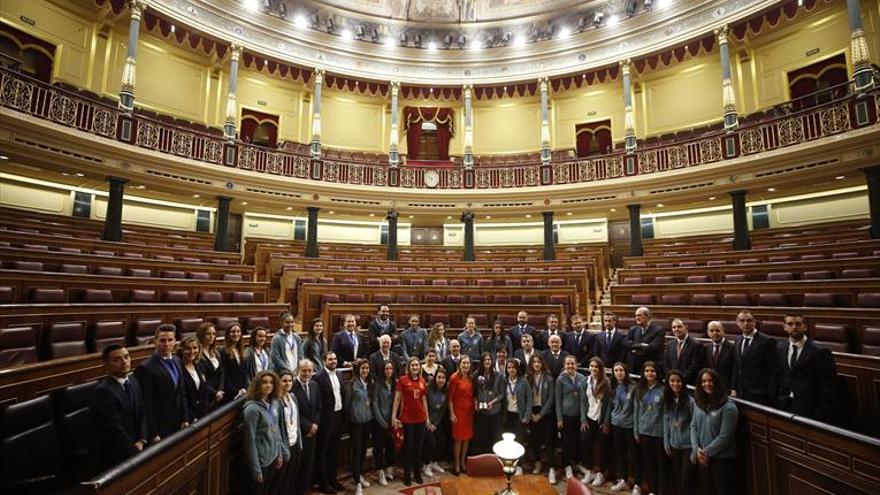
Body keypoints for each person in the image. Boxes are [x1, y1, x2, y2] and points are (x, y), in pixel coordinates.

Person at [769, 313, 838, 423]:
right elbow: (777, 376)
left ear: (805, 327)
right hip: (783, 404)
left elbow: (828, 387)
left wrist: (820, 414)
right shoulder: (779, 348)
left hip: (809, 409)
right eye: (790, 324)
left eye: (798, 324)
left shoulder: (819, 352)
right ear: (785, 327)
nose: (794, 327)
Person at [90, 344, 148, 470]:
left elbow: (142, 412)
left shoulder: (133, 381)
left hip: (138, 447)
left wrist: (142, 439)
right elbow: (114, 429)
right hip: (116, 457)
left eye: (126, 357)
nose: (124, 362)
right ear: (105, 365)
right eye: (117, 359)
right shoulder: (104, 391)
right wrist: (134, 451)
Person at [135, 324, 188, 441]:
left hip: (177, 423)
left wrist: (185, 418)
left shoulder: (177, 360)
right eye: (162, 340)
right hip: (159, 428)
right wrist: (153, 432)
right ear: (155, 341)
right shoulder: (145, 368)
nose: (167, 344)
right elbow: (145, 404)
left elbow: (181, 391)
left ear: (175, 341)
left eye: (170, 340)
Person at [691, 368, 739, 495]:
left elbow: (725, 436)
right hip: (703, 457)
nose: (707, 384)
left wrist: (705, 452)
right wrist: (696, 449)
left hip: (722, 459)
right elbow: (693, 426)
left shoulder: (729, 407)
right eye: (703, 381)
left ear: (716, 382)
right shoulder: (698, 402)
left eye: (710, 381)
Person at [242, 371, 287, 495]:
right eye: (265, 382)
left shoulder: (272, 403)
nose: (268, 385)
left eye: (271, 383)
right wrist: (256, 469)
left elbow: (275, 429)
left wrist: (279, 453)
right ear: (257, 385)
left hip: (273, 458)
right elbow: (249, 441)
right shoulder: (252, 409)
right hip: (261, 462)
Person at [392, 357, 430, 486]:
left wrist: (428, 418)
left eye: (417, 365)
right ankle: (407, 475)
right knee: (408, 447)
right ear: (408, 367)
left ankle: (417, 473)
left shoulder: (422, 381)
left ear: (420, 367)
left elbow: (424, 400)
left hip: (420, 418)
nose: (415, 367)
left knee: (418, 448)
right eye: (412, 365)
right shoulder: (403, 380)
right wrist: (393, 416)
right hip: (407, 419)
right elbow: (397, 399)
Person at [633, 361, 666, 495]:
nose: (649, 373)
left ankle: (660, 491)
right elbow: (636, 410)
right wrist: (636, 429)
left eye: (652, 371)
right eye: (647, 371)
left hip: (659, 432)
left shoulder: (664, 389)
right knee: (649, 463)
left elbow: (666, 413)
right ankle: (652, 490)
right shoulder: (640, 388)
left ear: (657, 373)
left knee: (661, 464)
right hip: (644, 431)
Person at [314, 352, 345, 494]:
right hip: (326, 419)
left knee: (334, 451)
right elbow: (318, 402)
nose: (333, 361)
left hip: (338, 416)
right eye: (330, 359)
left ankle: (333, 479)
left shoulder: (338, 374)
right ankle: (323, 483)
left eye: (335, 359)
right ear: (324, 361)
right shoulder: (319, 378)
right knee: (323, 453)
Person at [732, 310, 776, 404]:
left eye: (749, 320)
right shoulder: (737, 340)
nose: (745, 323)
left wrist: (770, 394)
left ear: (754, 322)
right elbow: (737, 366)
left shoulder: (767, 341)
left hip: (760, 394)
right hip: (741, 392)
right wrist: (734, 387)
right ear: (737, 323)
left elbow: (774, 369)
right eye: (742, 320)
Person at [663, 369, 696, 495]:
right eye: (672, 381)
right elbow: (666, 421)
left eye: (678, 381)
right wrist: (666, 442)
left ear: (683, 383)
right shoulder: (668, 399)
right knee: (678, 480)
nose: (675, 384)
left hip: (688, 445)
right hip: (674, 445)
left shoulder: (690, 401)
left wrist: (694, 448)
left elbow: (695, 425)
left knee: (686, 481)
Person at [291, 359, 321, 495]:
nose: (307, 373)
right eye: (304, 370)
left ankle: (305, 489)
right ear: (298, 370)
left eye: (309, 370)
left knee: (309, 464)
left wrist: (315, 424)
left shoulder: (314, 385)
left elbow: (319, 407)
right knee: (298, 466)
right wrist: (308, 426)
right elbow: (294, 412)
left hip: (313, 431)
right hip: (299, 433)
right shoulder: (292, 386)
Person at [581, 357, 611, 488]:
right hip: (589, 417)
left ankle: (601, 473)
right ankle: (589, 470)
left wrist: (606, 422)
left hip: (601, 419)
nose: (593, 369)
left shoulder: (606, 382)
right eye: (591, 366)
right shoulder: (586, 381)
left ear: (600, 368)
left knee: (602, 447)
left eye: (596, 367)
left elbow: (609, 404)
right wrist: (583, 419)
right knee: (584, 442)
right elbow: (583, 401)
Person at [555, 354, 587, 482]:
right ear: (564, 365)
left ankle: (575, 463)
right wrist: (559, 418)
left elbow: (584, 399)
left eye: (572, 363)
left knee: (576, 441)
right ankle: (567, 466)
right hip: (566, 415)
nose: (570, 366)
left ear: (576, 364)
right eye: (567, 363)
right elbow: (558, 400)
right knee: (566, 442)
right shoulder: (560, 379)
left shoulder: (582, 378)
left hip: (579, 415)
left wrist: (583, 418)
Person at [527, 354, 557, 484]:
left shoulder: (549, 379)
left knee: (548, 440)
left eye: (539, 362)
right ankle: (538, 462)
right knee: (534, 439)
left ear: (542, 363)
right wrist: (531, 414)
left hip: (545, 413)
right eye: (534, 362)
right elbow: (525, 397)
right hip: (532, 412)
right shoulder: (528, 378)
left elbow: (551, 398)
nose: (536, 364)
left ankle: (551, 469)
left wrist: (541, 414)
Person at [345, 359, 374, 495]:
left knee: (363, 450)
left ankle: (360, 474)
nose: (365, 371)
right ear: (358, 370)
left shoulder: (370, 383)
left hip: (368, 421)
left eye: (367, 368)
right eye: (363, 368)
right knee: (356, 451)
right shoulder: (352, 384)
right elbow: (347, 405)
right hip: (355, 422)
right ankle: (356, 482)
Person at [608, 362, 638, 493]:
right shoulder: (612, 386)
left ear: (625, 372)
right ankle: (623, 480)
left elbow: (636, 408)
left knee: (633, 455)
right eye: (616, 371)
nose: (619, 373)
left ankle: (636, 483)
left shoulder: (633, 387)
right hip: (616, 424)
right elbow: (611, 405)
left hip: (630, 425)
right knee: (619, 453)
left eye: (621, 370)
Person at [276, 369, 303, 495]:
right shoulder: (275, 402)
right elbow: (274, 428)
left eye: (290, 380)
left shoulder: (293, 397)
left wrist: (300, 442)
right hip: (284, 446)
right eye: (284, 381)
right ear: (279, 382)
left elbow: (296, 422)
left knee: (292, 478)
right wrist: (281, 451)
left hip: (295, 442)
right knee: (281, 482)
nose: (288, 383)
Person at [178, 336, 217, 423]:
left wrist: (205, 413)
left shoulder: (200, 366)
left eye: (195, 348)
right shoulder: (178, 369)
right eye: (188, 348)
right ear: (181, 350)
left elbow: (204, 390)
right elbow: (180, 398)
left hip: (202, 415)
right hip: (187, 420)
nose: (192, 351)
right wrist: (190, 418)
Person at [448, 354, 475, 476]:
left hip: (469, 412)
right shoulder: (454, 378)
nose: (466, 365)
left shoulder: (471, 378)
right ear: (459, 364)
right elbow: (450, 398)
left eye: (468, 363)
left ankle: (464, 462)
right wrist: (452, 413)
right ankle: (457, 463)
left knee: (467, 439)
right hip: (458, 412)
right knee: (458, 439)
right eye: (464, 363)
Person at [372, 360, 397, 486]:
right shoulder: (378, 383)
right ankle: (380, 471)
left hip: (391, 420)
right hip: (379, 421)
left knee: (390, 445)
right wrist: (381, 421)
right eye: (386, 369)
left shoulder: (395, 383)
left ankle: (389, 468)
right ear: (383, 370)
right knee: (379, 447)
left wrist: (393, 419)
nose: (388, 371)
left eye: (390, 368)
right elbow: (375, 403)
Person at [474, 351, 504, 454]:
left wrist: (493, 402)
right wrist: (475, 402)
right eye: (485, 360)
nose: (487, 361)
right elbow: (474, 392)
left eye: (489, 359)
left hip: (494, 411)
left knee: (495, 436)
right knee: (483, 436)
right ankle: (484, 460)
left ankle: (495, 459)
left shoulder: (498, 375)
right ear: (481, 362)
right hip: (481, 412)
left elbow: (502, 394)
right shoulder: (476, 374)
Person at [424, 367, 449, 477]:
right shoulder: (428, 389)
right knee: (431, 443)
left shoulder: (445, 390)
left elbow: (442, 409)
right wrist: (428, 422)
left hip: (437, 422)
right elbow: (425, 407)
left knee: (442, 441)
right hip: (427, 420)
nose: (441, 380)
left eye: (443, 378)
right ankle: (426, 465)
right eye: (439, 377)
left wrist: (435, 423)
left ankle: (434, 462)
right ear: (435, 378)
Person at [663, 319, 705, 385]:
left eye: (679, 327)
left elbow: (695, 366)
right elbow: (666, 364)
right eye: (674, 327)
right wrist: (671, 378)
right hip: (672, 383)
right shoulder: (669, 345)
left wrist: (681, 379)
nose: (676, 329)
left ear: (686, 328)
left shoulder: (696, 345)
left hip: (689, 382)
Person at [624, 307, 665, 374]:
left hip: (650, 366)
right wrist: (641, 345)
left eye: (639, 315)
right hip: (634, 366)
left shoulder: (658, 330)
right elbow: (625, 343)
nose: (636, 318)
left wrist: (634, 347)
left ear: (648, 316)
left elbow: (653, 347)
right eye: (636, 316)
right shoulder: (633, 329)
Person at [503, 358, 532, 451]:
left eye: (513, 367)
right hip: (507, 415)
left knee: (519, 440)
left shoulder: (523, 381)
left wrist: (526, 416)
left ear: (517, 369)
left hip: (519, 415)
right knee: (507, 439)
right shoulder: (504, 381)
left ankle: (519, 463)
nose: (511, 370)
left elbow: (529, 399)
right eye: (509, 367)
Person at [196, 322, 225, 406]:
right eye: (208, 334)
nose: (212, 336)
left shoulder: (216, 352)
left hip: (220, 395)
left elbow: (222, 373)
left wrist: (220, 390)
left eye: (214, 334)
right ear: (201, 335)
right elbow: (203, 381)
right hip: (206, 397)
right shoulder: (198, 355)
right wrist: (215, 393)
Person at [704, 321, 736, 391]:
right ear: (708, 332)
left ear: (723, 331)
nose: (714, 333)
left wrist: (733, 387)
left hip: (726, 387)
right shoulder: (705, 348)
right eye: (711, 331)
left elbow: (735, 370)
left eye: (717, 330)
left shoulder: (733, 348)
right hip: (710, 386)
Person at [220, 323, 248, 400]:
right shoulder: (223, 352)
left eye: (238, 331)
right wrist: (236, 391)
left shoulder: (242, 351)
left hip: (243, 391)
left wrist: (245, 388)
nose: (236, 334)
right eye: (233, 332)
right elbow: (225, 375)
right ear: (228, 334)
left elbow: (245, 372)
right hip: (231, 393)